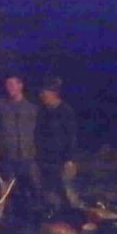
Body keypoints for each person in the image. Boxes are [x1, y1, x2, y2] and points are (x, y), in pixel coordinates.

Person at [0, 73, 41, 216]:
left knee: (34, 187)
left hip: (28, 155)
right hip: (8, 156)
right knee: (11, 190)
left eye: (12, 84)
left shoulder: (32, 108)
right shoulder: (1, 107)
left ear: (20, 85)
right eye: (7, 85)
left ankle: (37, 216)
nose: (9, 88)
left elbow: (39, 132)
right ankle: (14, 217)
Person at [35, 76, 83, 213]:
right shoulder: (43, 112)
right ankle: (57, 216)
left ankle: (77, 216)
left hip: (64, 160)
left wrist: (70, 159)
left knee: (69, 190)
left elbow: (72, 136)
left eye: (44, 92)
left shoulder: (66, 111)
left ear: (53, 93)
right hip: (47, 160)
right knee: (51, 193)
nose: (41, 95)